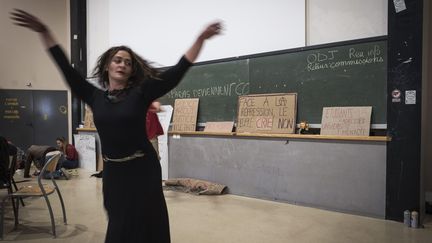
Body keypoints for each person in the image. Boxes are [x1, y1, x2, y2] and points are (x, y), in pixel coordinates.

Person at [10, 9, 222, 242]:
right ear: (107, 67)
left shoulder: (141, 93)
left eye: (128, 62)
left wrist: (200, 39)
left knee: (149, 224)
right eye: (117, 60)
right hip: (113, 174)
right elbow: (66, 70)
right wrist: (45, 32)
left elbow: (177, 71)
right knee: (119, 225)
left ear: (132, 70)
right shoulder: (94, 97)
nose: (122, 64)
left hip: (143, 169)